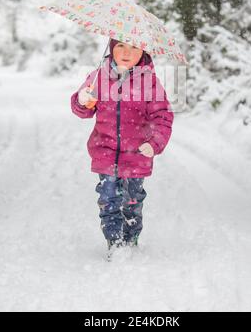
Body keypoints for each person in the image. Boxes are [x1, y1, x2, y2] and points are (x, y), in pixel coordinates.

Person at [71, 38, 174, 260]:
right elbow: (83, 111)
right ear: (111, 48)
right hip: (105, 150)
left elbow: (163, 116)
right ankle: (114, 242)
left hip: (137, 154)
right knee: (108, 198)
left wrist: (154, 143)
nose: (126, 52)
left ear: (143, 51)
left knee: (132, 200)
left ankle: (131, 237)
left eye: (134, 47)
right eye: (120, 46)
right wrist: (82, 100)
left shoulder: (150, 83)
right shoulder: (98, 76)